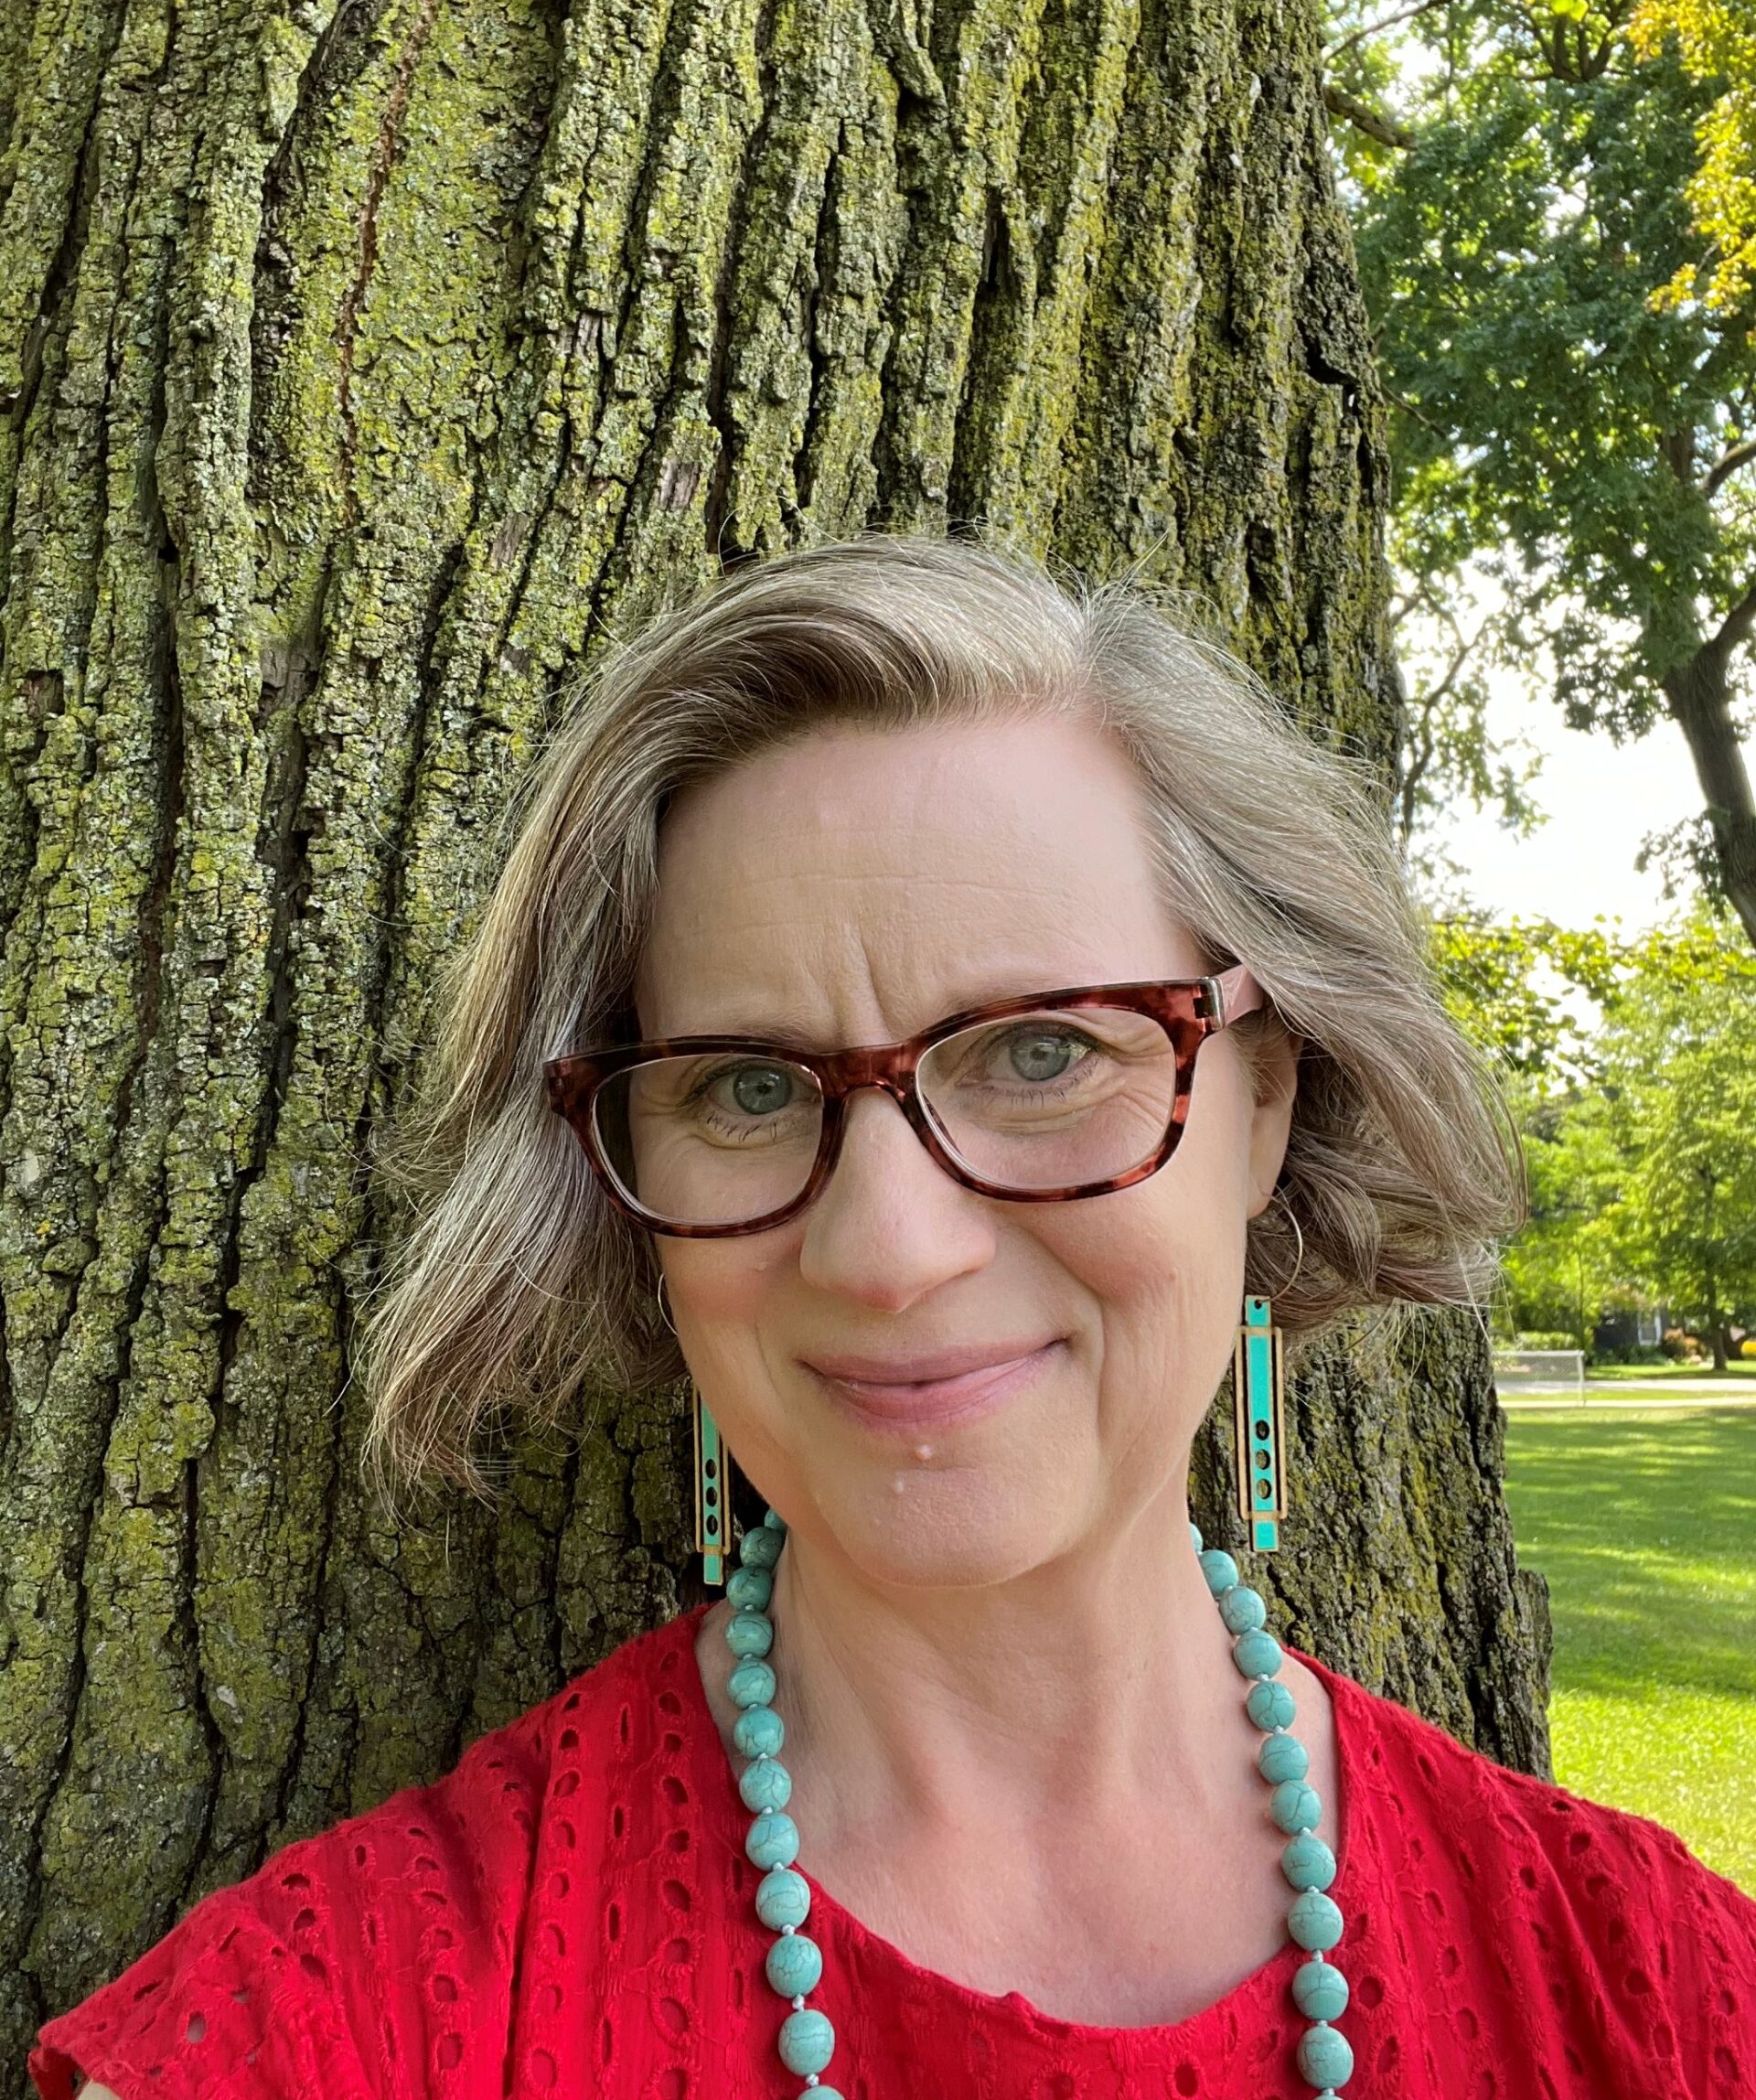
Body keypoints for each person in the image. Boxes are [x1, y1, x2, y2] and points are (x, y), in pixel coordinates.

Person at [32, 537, 1756, 2100]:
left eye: (1043, 1052)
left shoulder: (1660, 1998)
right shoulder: (345, 2024)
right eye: (747, 1087)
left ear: (1268, 1100)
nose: (886, 1251)